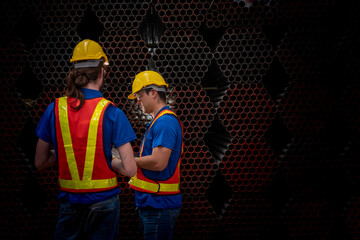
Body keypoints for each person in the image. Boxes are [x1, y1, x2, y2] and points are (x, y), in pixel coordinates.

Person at [34, 39, 137, 240]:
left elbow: (40, 162)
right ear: (101, 74)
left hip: (69, 203)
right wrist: (110, 159)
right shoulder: (112, 112)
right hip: (104, 203)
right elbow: (131, 169)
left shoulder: (54, 109)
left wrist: (64, 153)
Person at [127, 71, 183, 240]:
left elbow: (158, 163)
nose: (137, 102)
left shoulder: (165, 122)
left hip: (160, 205)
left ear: (153, 93)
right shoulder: (158, 121)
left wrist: (129, 161)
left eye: (139, 96)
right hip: (153, 203)